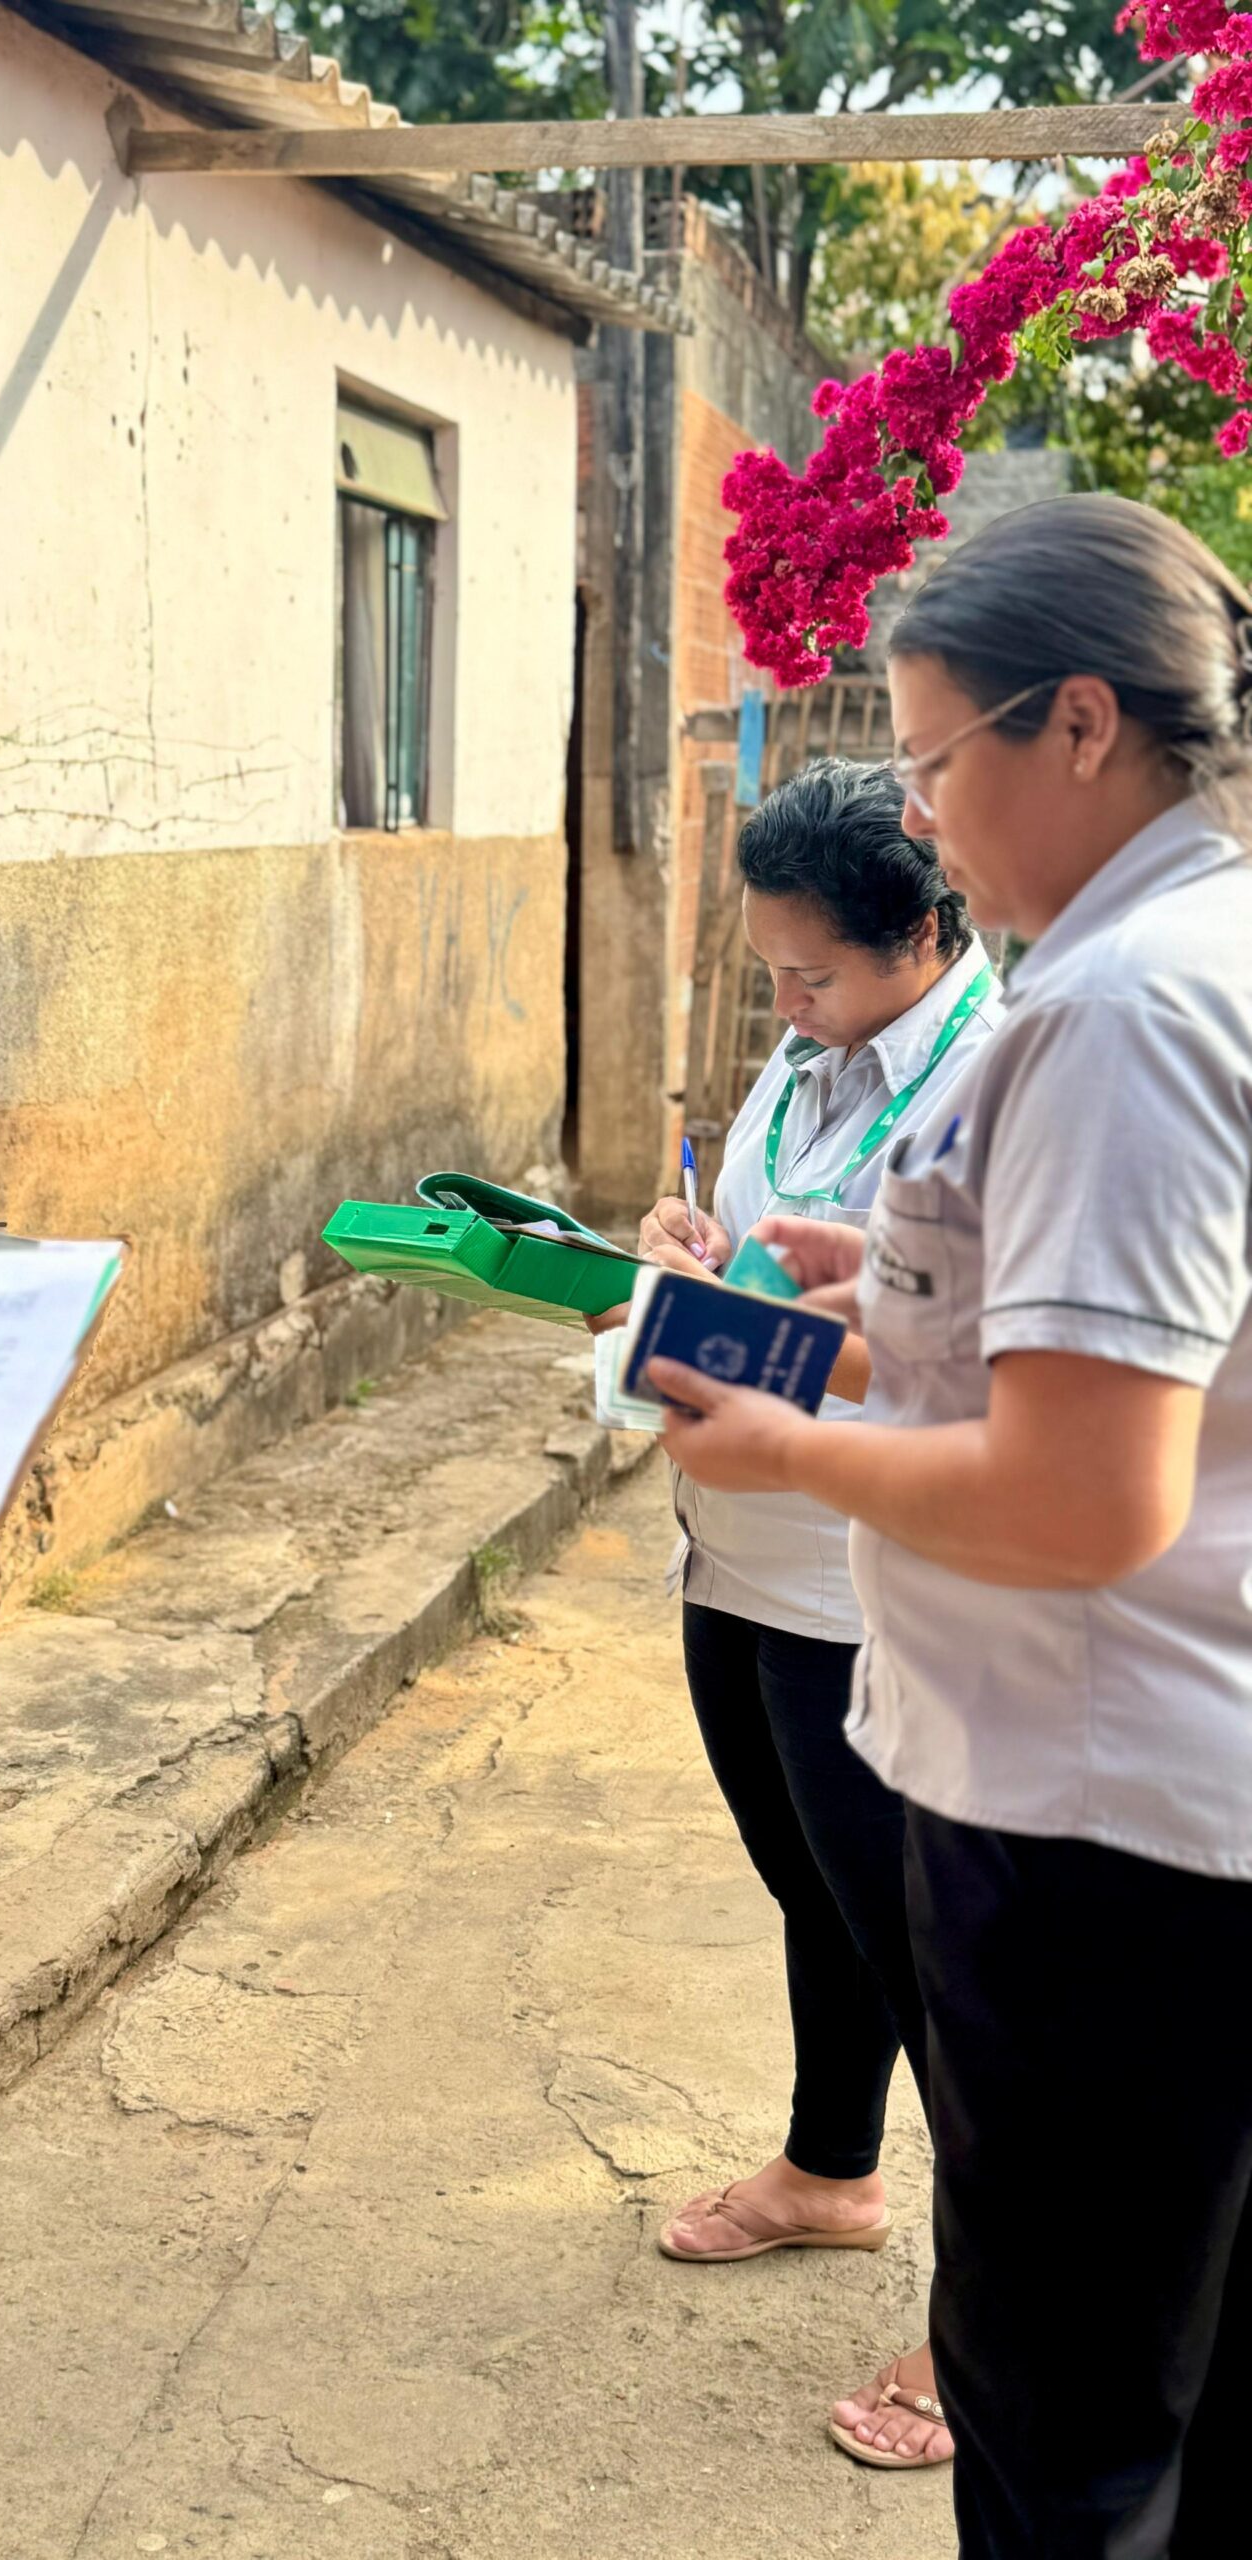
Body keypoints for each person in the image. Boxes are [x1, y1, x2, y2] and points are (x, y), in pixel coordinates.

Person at [654, 492, 1252, 2558]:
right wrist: (898, 1302)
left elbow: (1088, 1489)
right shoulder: (1185, 951)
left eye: (932, 760)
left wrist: (784, 1446)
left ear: (1078, 723)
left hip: (1096, 1826)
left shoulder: (1115, 1007)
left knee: (1062, 2435)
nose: (921, 816)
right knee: (1141, 2400)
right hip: (1158, 1801)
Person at [600, 760, 1000, 2470]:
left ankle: (992, 2327)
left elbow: (937, 1367)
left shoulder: (994, 1080)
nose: (786, 1006)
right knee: (814, 1894)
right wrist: (689, 1248)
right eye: (769, 972)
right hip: (738, 1549)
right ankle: (832, 2168)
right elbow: (782, 1247)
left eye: (812, 974)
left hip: (868, 1578)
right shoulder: (817, 1046)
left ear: (924, 932)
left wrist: (685, 1334)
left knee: (938, 1965)